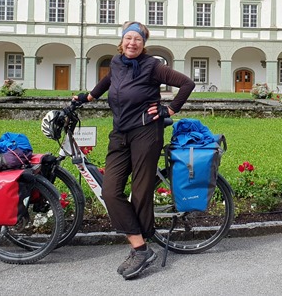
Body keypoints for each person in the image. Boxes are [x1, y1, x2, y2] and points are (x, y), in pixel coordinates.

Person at [74, 21, 194, 280]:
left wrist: (169, 109)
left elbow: (186, 83)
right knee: (110, 191)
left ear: (143, 43)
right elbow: (107, 81)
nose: (132, 43)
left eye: (138, 39)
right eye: (128, 38)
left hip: (146, 133)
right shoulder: (117, 62)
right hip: (120, 134)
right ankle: (141, 248)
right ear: (122, 41)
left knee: (140, 192)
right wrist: (88, 97)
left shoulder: (152, 66)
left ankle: (139, 249)